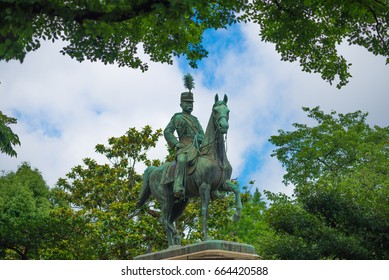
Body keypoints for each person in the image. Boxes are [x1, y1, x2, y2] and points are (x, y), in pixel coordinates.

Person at [164, 91, 204, 197]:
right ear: (181, 104)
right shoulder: (177, 117)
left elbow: (201, 133)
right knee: (181, 160)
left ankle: (213, 190)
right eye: (187, 103)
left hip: (196, 147)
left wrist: (201, 137)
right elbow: (167, 132)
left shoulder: (195, 120)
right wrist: (176, 144)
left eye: (191, 103)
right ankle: (178, 185)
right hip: (184, 147)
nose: (190, 105)